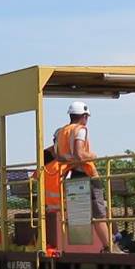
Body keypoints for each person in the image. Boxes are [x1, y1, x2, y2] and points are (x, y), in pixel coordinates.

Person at [53, 101, 111, 251]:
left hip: (73, 176)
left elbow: (59, 157)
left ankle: (76, 248)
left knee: (80, 213)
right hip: (87, 174)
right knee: (99, 213)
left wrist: (72, 159)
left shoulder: (61, 132)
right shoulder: (80, 129)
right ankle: (108, 246)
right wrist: (93, 155)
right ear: (84, 116)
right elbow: (79, 154)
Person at [40, 145, 65, 254]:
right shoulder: (62, 166)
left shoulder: (43, 170)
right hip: (64, 210)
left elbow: (33, 178)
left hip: (50, 210)